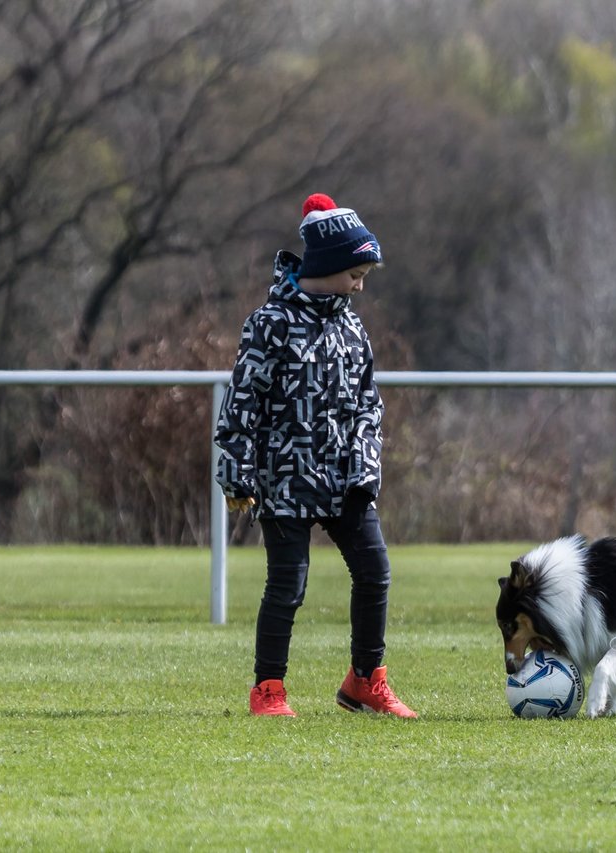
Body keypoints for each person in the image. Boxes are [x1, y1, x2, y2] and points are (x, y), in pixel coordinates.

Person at [215, 193, 417, 719]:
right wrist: (237, 474)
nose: (360, 285)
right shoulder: (269, 324)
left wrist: (366, 465)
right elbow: (241, 404)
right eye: (355, 273)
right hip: (284, 480)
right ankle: (268, 690)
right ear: (326, 268)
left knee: (375, 571)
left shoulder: (352, 329)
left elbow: (369, 406)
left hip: (346, 479)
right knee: (288, 587)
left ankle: (365, 681)